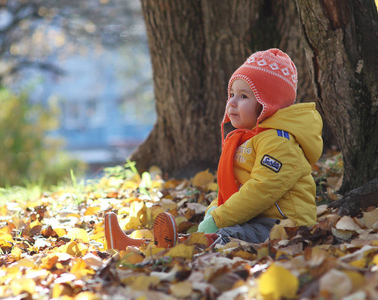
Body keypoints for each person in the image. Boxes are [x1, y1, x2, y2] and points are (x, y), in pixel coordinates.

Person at [104, 48, 323, 251]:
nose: (232, 103)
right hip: (256, 217)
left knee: (231, 234)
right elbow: (237, 188)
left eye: (244, 96)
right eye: (232, 95)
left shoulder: (279, 141)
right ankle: (139, 244)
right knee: (220, 227)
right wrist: (215, 209)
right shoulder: (250, 138)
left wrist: (219, 218)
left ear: (269, 104)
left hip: (285, 224)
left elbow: (261, 190)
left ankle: (187, 246)